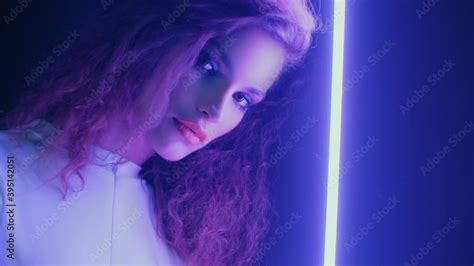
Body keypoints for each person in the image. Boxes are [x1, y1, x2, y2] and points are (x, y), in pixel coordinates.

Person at [0, 0, 319, 265]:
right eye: (207, 65)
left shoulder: (182, 235)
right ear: (152, 37)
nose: (216, 109)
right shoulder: (8, 173)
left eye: (242, 99)